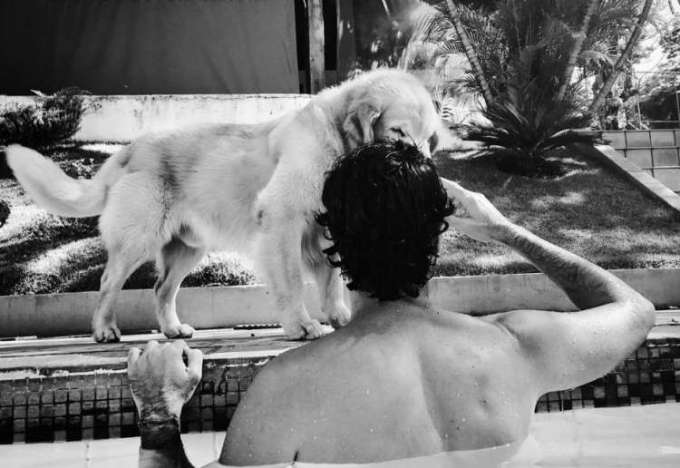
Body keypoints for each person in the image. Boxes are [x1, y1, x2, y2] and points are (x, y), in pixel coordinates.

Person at [127, 143, 655, 468]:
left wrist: (158, 415)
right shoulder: (517, 348)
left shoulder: (288, 388)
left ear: (329, 237)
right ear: (440, 234)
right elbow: (634, 309)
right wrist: (506, 231)